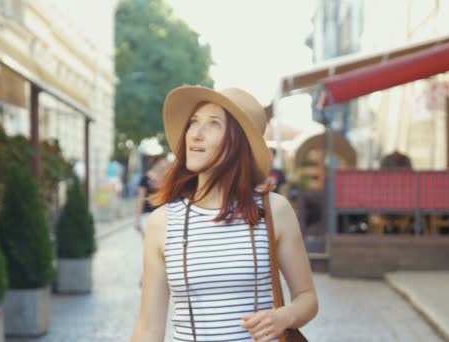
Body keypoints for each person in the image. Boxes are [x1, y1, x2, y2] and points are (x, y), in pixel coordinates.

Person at [131, 86, 318, 342]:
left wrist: (283, 317)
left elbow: (307, 298)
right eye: (193, 122)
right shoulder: (163, 222)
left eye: (213, 124)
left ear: (237, 143)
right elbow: (149, 328)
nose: (195, 134)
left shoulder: (274, 210)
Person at [135, 154, 169, 237]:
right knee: (148, 244)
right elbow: (140, 200)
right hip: (148, 216)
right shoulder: (145, 179)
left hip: (162, 216)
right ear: (156, 163)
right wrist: (137, 220)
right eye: (163, 161)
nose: (165, 164)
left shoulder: (165, 179)